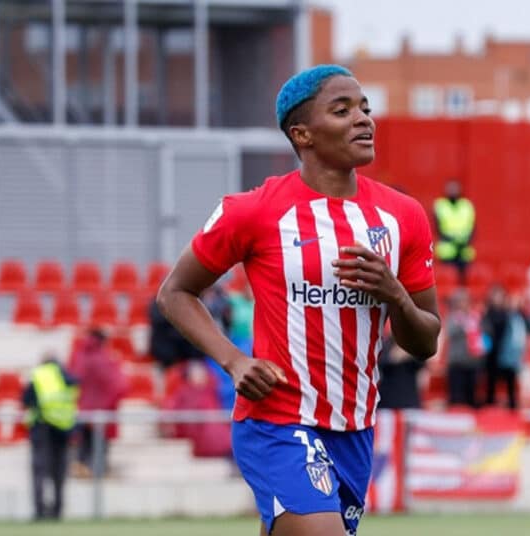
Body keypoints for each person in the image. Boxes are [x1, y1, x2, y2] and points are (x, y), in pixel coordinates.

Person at [156, 64, 440, 536]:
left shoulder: (402, 216)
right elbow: (175, 292)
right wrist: (234, 361)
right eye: (342, 110)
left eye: (365, 108)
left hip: (354, 428)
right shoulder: (254, 210)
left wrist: (395, 295)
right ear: (302, 134)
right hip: (277, 419)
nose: (363, 119)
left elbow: (426, 340)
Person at [21, 353, 79, 521]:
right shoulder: (67, 377)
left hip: (42, 428)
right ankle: (58, 511)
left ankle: (39, 511)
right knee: (59, 472)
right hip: (63, 429)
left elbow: (26, 400)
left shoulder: (39, 375)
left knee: (39, 471)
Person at [69, 328, 128, 479]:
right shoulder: (104, 359)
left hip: (83, 410)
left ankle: (83, 468)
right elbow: (120, 385)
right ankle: (96, 474)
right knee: (99, 447)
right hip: (101, 412)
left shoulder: (79, 356)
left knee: (84, 445)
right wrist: (108, 403)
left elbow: (73, 380)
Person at [432, 179, 476, 284]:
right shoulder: (440, 205)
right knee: (446, 280)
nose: (453, 191)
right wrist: (454, 241)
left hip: (464, 250)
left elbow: (473, 228)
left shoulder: (467, 206)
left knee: (464, 282)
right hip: (447, 251)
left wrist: (465, 241)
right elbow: (437, 228)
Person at [445, 288, 483, 408]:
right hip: (457, 362)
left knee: (470, 397)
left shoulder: (474, 316)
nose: (463, 304)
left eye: (465, 301)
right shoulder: (452, 317)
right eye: (460, 301)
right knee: (457, 398)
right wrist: (463, 325)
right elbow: (450, 332)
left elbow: (482, 334)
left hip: (472, 362)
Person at [496, 292, 529, 411]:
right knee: (506, 380)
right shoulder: (506, 317)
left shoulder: (520, 318)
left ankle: (513, 403)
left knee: (514, 380)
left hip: (517, 355)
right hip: (507, 354)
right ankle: (507, 403)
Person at [377, 331, 425, 410]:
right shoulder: (385, 344)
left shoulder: (413, 347)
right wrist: (393, 357)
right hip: (387, 402)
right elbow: (381, 363)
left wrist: (407, 353)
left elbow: (422, 361)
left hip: (409, 402)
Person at [481, 285, 510, 407]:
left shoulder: (506, 313)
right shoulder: (487, 313)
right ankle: (490, 401)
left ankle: (509, 402)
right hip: (491, 350)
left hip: (504, 349)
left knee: (508, 376)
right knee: (491, 377)